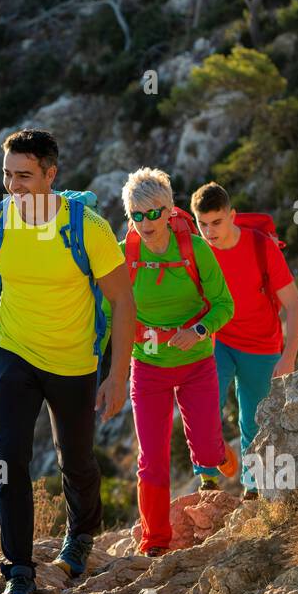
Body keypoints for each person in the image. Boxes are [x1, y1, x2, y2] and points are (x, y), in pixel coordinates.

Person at [0, 129, 136, 594]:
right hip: (14, 354)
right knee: (9, 456)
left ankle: (80, 537)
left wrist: (117, 374)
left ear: (50, 175)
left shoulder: (89, 228)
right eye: (7, 175)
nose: (13, 186)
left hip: (74, 359)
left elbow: (123, 301)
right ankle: (18, 570)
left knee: (75, 458)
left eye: (24, 176)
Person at [111, 167, 235, 556]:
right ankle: (155, 541)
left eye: (153, 213)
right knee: (152, 457)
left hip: (197, 362)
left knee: (207, 449)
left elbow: (224, 305)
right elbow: (108, 309)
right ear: (129, 215)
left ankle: (221, 457)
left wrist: (197, 331)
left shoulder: (195, 249)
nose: (145, 223)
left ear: (169, 211)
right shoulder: (123, 256)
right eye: (136, 215)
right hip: (147, 369)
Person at [190, 181, 298, 498]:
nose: (210, 231)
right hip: (219, 339)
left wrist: (289, 356)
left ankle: (254, 490)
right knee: (202, 404)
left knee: (254, 421)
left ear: (232, 216)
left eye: (217, 222)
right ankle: (208, 478)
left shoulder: (259, 246)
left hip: (262, 345)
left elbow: (294, 306)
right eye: (202, 224)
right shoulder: (198, 251)